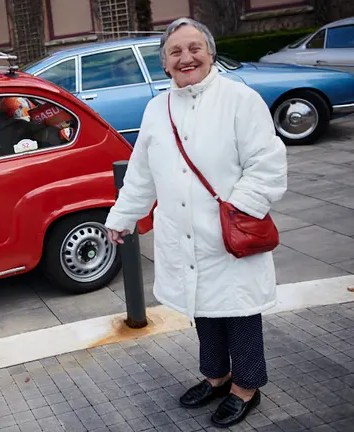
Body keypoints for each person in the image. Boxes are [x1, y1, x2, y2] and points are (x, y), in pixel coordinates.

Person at [104, 18, 287, 428]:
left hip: (229, 233)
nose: (186, 58)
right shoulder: (157, 108)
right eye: (175, 52)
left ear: (210, 52)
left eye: (194, 48)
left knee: (239, 312)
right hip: (182, 236)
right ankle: (216, 376)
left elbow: (268, 164)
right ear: (165, 64)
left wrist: (240, 208)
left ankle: (246, 388)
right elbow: (141, 173)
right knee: (203, 310)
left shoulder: (239, 99)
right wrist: (123, 216)